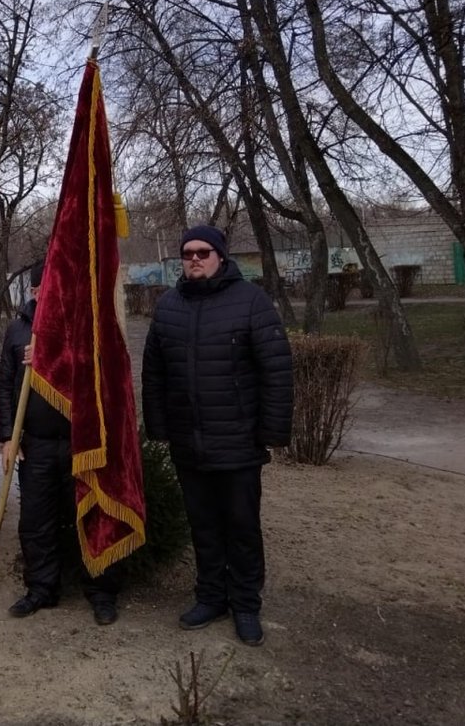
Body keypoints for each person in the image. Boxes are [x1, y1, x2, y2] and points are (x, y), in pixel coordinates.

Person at [142, 225, 294, 646]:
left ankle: (245, 603)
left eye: (203, 252)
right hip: (190, 445)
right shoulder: (169, 306)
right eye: (187, 252)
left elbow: (276, 370)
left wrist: (271, 431)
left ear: (221, 257)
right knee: (203, 526)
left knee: (241, 526)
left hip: (238, 443)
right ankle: (210, 596)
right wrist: (159, 428)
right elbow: (154, 374)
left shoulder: (251, 302)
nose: (194, 258)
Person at [0, 264, 123, 626]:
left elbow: (101, 376)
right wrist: (8, 435)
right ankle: (41, 589)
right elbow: (5, 383)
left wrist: (52, 359)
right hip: (35, 446)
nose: (46, 294)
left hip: (79, 444)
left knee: (91, 518)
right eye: (39, 289)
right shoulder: (18, 328)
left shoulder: (84, 328)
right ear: (34, 292)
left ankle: (101, 592)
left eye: (53, 287)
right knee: (36, 523)